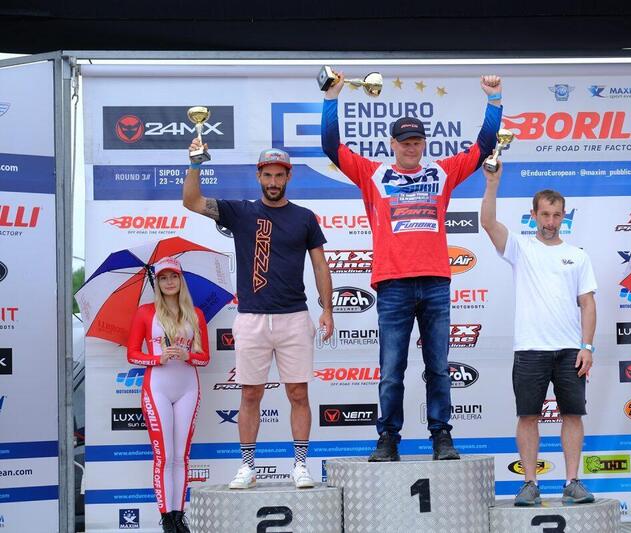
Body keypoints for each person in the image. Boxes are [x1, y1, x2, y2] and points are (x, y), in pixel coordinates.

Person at [321, 70, 503, 461]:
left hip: (435, 282)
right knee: (391, 370)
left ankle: (442, 437)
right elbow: (331, 146)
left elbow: (484, 146)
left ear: (424, 143)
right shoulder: (373, 173)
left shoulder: (441, 172)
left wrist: (494, 100)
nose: (411, 147)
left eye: (417, 141)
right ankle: (388, 438)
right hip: (392, 284)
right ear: (393, 144)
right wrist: (332, 99)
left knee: (438, 367)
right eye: (404, 142)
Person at [182, 142, 333, 490]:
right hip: (251, 318)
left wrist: (327, 309)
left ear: (289, 177)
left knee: (298, 393)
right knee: (250, 395)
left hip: (294, 317)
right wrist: (194, 165)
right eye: (268, 175)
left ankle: (300, 465)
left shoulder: (304, 217)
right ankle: (248, 467)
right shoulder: (240, 212)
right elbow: (191, 201)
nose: (273, 182)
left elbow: (320, 264)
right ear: (259, 176)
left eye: (279, 175)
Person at [480, 162, 598, 506]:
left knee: (573, 415)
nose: (550, 221)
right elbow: (487, 222)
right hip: (530, 348)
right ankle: (530, 483)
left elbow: (588, 304)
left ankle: (572, 481)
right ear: (533, 215)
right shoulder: (521, 247)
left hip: (570, 350)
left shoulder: (577, 256)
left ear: (564, 217)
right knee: (528, 416)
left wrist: (587, 346)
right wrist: (492, 183)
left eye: (556, 215)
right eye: (545, 214)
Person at [127, 256, 210, 533]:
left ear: (180, 280)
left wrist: (188, 356)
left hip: (188, 387)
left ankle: (178, 515)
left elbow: (205, 358)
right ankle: (166, 518)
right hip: (157, 388)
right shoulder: (145, 312)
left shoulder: (195, 313)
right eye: (163, 278)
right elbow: (132, 354)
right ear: (157, 283)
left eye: (173, 276)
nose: (169, 282)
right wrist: (157, 359)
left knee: (181, 457)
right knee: (163, 457)